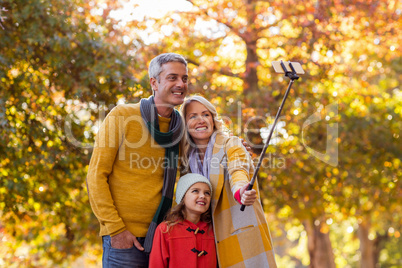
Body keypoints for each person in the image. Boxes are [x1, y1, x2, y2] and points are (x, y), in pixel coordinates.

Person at [86, 53, 188, 267]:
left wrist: (237, 147)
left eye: (184, 78)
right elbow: (96, 176)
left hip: (164, 237)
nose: (181, 84)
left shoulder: (180, 129)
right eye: (172, 78)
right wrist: (116, 230)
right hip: (124, 240)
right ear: (154, 82)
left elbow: (203, 161)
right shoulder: (123, 116)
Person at [180, 95, 277, 268]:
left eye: (205, 114)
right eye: (192, 116)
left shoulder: (230, 143)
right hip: (207, 241)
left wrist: (240, 191)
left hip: (239, 236)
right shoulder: (187, 158)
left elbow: (238, 169)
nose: (200, 120)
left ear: (213, 119)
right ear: (185, 124)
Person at [149, 173, 217, 267]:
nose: (203, 196)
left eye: (207, 193)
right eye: (195, 191)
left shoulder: (213, 229)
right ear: (182, 198)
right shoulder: (165, 229)